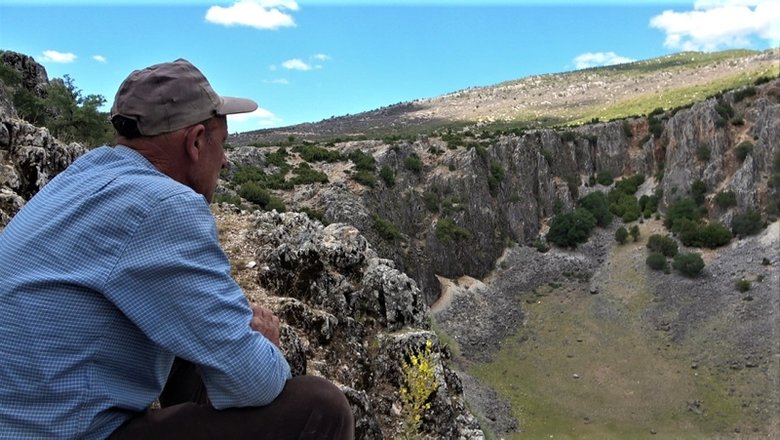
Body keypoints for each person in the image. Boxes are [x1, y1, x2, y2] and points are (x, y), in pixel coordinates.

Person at [0, 59, 354, 439]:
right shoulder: (163, 204)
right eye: (223, 143)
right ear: (196, 141)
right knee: (321, 408)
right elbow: (257, 382)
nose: (226, 160)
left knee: (195, 336)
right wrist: (262, 345)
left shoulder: (83, 174)